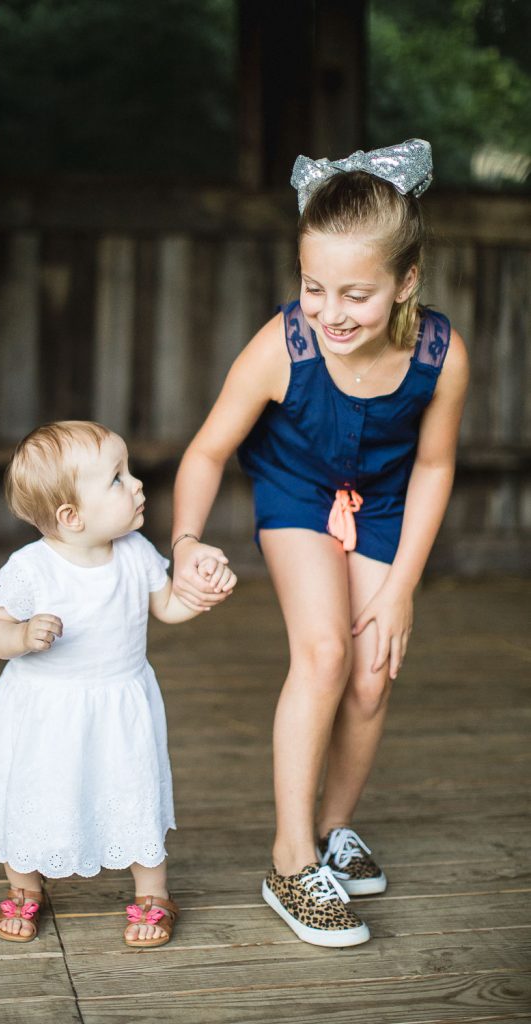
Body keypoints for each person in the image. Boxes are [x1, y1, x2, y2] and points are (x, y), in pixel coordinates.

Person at [171, 140, 469, 947]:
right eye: (312, 287)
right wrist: (185, 541)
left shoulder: (440, 354)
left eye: (357, 294)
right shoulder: (284, 347)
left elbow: (435, 468)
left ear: (406, 283)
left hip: (382, 504)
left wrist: (400, 584)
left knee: (372, 672)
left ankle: (335, 830)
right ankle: (290, 857)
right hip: (297, 492)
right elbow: (204, 451)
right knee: (325, 654)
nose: (331, 311)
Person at [0, 420, 236, 946]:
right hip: (43, 712)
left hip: (119, 706)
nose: (136, 484)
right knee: (34, 792)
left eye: (129, 471)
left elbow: (168, 605)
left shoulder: (133, 553)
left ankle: (153, 893)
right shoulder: (31, 568)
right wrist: (19, 636)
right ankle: (25, 887)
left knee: (131, 792)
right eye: (117, 478)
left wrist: (198, 596)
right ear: (71, 516)